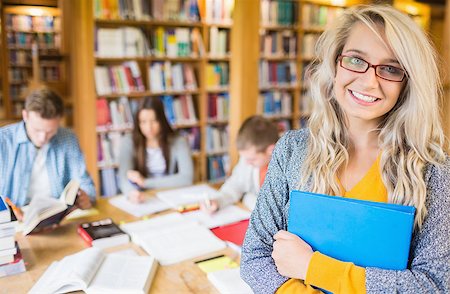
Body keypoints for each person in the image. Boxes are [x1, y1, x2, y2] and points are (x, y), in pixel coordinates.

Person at [241, 5, 450, 293]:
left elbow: (435, 285)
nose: (369, 81)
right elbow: (254, 257)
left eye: (391, 69)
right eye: (355, 60)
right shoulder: (292, 149)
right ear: (335, 65)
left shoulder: (434, 171)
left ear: (408, 82)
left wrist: (313, 268)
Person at [0, 87, 96, 213]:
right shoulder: (3, 141)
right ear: (25, 116)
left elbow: (86, 183)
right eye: (37, 130)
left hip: (57, 217)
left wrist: (86, 197)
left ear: (59, 121)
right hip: (13, 221)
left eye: (50, 131)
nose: (42, 138)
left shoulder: (68, 138)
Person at [118, 96, 194, 203]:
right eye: (143, 122)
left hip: (169, 196)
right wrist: (131, 192)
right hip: (143, 198)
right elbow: (123, 177)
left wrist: (145, 182)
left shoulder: (178, 141)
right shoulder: (128, 141)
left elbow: (186, 178)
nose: (148, 128)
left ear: (162, 120)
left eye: (153, 121)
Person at [201, 115, 279, 212]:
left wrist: (247, 198)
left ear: (271, 150)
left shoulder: (287, 169)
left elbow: (273, 210)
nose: (246, 163)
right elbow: (235, 185)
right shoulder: (248, 159)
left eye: (252, 159)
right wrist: (218, 200)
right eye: (244, 158)